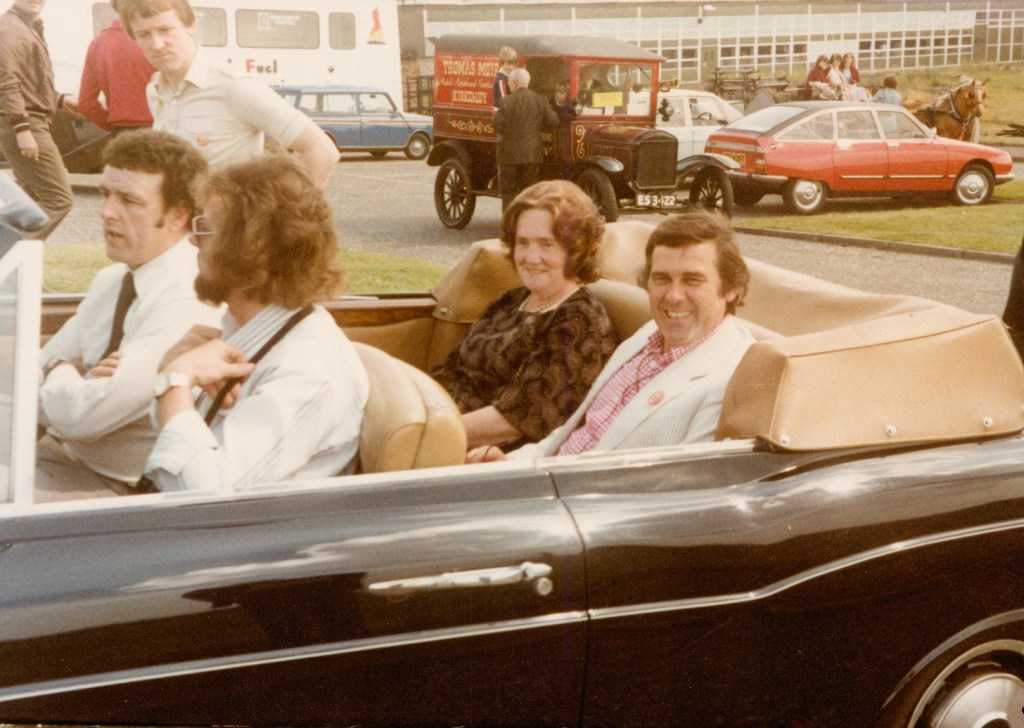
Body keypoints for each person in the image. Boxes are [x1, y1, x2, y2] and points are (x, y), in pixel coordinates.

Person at [143, 155, 368, 492]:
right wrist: (172, 372)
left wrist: (174, 382)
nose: (192, 240)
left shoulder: (307, 368)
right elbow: (175, 440)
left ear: (251, 250)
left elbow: (202, 498)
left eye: (205, 229)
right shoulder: (246, 332)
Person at [468, 209, 755, 463]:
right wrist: (508, 463)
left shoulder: (734, 377)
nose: (674, 295)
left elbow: (682, 489)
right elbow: (576, 433)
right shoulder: (648, 335)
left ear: (731, 288)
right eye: (661, 278)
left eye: (693, 280)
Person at [35, 129, 222, 501]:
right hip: (53, 455)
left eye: (129, 200)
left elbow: (83, 417)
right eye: (106, 194)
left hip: (117, 490)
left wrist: (60, 368)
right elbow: (27, 378)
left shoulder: (190, 295)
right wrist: (72, 379)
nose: (106, 212)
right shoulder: (112, 280)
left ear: (178, 216)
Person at [432, 180, 616, 452]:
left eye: (547, 244)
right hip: (446, 425)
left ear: (576, 249)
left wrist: (428, 433)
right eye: (523, 242)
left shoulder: (579, 321)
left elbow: (514, 421)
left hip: (489, 455)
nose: (531, 257)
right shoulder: (511, 300)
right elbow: (452, 371)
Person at [117, 0, 339, 187]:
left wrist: (286, 218)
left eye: (165, 30)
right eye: (144, 34)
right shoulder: (155, 91)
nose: (157, 44)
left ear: (190, 24)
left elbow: (322, 151)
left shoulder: (235, 87)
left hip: (230, 225)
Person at [0, 0, 75, 239]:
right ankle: (10, 253)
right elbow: (6, 81)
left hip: (29, 120)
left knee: (28, 200)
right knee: (58, 199)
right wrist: (22, 128)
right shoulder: (9, 30)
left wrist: (60, 99)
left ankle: (13, 254)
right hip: (24, 122)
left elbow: (31, 81)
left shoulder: (26, 26)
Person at [78, 0, 155, 134]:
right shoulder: (157, 41)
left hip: (121, 132)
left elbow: (86, 104)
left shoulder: (98, 43)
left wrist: (112, 125)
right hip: (158, 129)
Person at [494, 67, 559, 210]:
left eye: (509, 82)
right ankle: (527, 220)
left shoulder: (506, 101)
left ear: (515, 82)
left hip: (509, 156)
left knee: (509, 192)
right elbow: (553, 121)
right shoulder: (540, 100)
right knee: (529, 193)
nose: (508, 85)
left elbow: (497, 125)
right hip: (532, 155)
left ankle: (510, 222)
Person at [492, 45, 517, 111]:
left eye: (513, 64)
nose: (511, 67)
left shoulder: (507, 77)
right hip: (502, 112)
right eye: (508, 64)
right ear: (502, 63)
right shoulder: (501, 79)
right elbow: (504, 100)